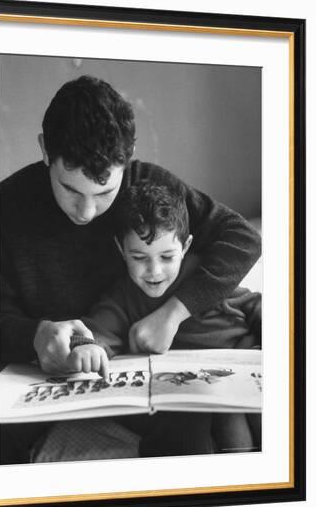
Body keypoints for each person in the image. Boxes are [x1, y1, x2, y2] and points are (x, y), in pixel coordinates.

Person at [0, 75, 261, 463]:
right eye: (69, 189)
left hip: (157, 376)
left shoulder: (149, 187)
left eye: (104, 193)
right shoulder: (3, 207)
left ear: (130, 155)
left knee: (195, 424)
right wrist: (32, 335)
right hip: (54, 372)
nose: (86, 212)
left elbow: (242, 238)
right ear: (44, 150)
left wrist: (173, 314)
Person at [66, 177, 261, 455]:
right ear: (121, 250)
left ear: (186, 246)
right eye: (140, 257)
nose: (154, 272)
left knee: (248, 419)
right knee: (196, 424)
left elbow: (256, 306)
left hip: (240, 376)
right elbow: (95, 333)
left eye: (167, 257)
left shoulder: (205, 281)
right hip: (187, 401)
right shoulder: (123, 297)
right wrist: (85, 347)